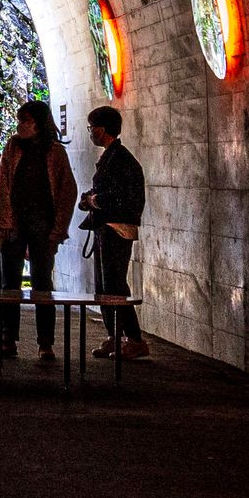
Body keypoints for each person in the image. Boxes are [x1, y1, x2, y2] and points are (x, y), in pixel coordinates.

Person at [0, 99, 76, 359]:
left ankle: (45, 341)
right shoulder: (12, 147)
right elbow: (2, 185)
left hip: (43, 224)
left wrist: (58, 229)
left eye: (25, 121)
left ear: (38, 124)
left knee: (42, 283)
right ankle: (8, 336)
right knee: (9, 283)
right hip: (15, 223)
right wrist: (2, 222)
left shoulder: (55, 152)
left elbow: (66, 191)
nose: (20, 125)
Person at [84, 105, 151, 359]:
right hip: (109, 227)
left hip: (115, 229)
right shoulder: (115, 157)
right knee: (105, 285)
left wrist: (94, 200)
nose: (90, 133)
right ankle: (115, 336)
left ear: (101, 130)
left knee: (114, 286)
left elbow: (121, 196)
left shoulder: (119, 159)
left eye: (91, 128)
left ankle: (134, 339)